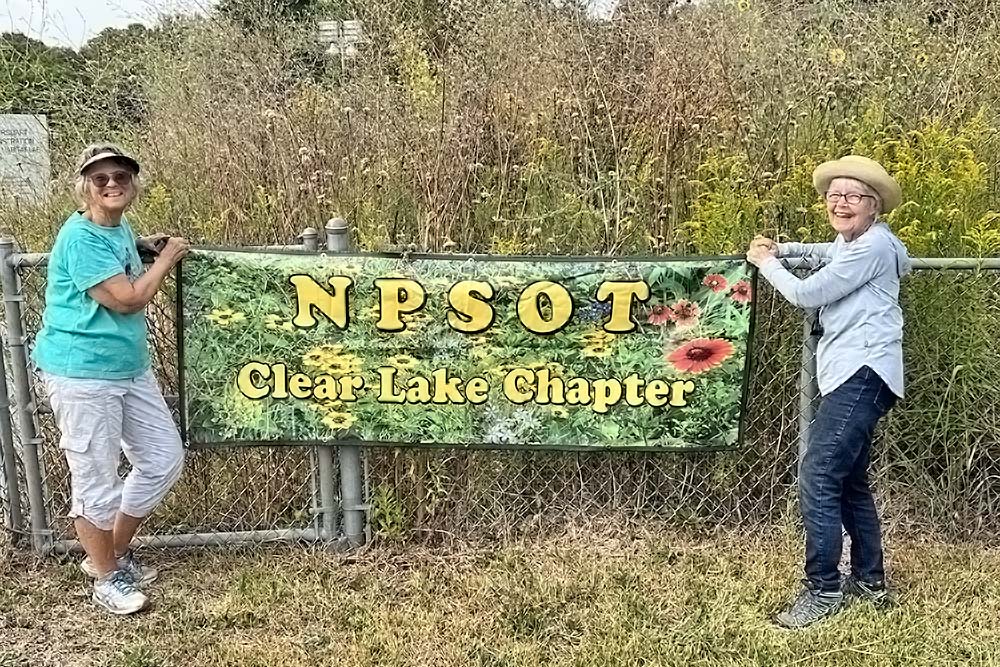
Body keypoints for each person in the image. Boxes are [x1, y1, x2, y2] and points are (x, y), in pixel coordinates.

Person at [746, 155, 911, 629]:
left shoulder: (872, 247)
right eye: (834, 195)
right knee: (850, 480)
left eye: (853, 196)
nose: (841, 203)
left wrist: (765, 263)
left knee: (817, 475)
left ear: (873, 206)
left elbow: (806, 293)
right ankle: (870, 582)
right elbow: (825, 252)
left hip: (863, 372)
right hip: (853, 373)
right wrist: (784, 248)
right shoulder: (854, 241)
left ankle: (823, 589)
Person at [32, 143, 190, 615]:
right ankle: (106, 578)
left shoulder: (116, 228)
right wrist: (167, 258)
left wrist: (144, 247)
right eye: (100, 179)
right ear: (85, 187)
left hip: (128, 368)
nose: (112, 184)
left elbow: (120, 257)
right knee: (95, 477)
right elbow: (126, 299)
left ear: (133, 183)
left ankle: (112, 554)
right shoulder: (80, 237)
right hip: (82, 373)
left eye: (120, 175)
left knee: (163, 458)